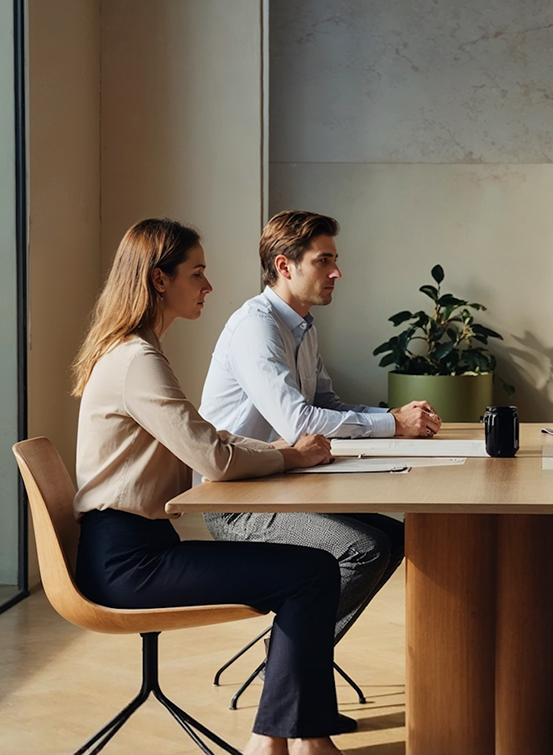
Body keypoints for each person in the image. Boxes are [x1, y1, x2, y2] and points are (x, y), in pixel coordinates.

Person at [72, 218, 348, 755]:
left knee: (311, 571)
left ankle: (292, 739)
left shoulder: (135, 352)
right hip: (127, 564)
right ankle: (284, 741)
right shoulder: (136, 360)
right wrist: (289, 454)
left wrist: (277, 453)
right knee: (312, 574)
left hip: (137, 550)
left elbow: (207, 436)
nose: (208, 286)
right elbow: (213, 457)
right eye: (196, 273)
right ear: (159, 279)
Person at [200, 210, 441, 645]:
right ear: (284, 265)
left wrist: (398, 418)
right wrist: (392, 424)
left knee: (395, 537)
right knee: (365, 550)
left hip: (278, 483)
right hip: (236, 499)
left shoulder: (301, 325)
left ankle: (296, 664)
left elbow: (325, 403)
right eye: (323, 261)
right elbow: (298, 423)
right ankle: (286, 665)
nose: (336, 272)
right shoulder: (257, 327)